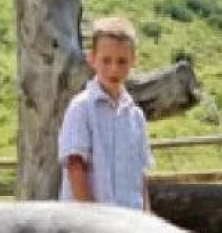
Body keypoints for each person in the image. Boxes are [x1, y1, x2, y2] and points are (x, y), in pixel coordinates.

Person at [58, 15, 152, 210]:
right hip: (89, 225)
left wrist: (147, 217)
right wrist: (94, 219)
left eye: (122, 61)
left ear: (133, 61)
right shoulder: (82, 108)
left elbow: (140, 177)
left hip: (129, 222)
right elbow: (75, 167)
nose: (114, 69)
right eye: (106, 60)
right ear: (92, 59)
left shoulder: (135, 117)